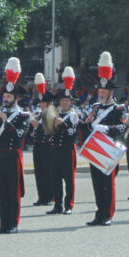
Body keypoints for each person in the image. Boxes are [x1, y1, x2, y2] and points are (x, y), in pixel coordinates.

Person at [80, 52, 126, 226]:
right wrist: (81, 123)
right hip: (95, 150)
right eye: (99, 91)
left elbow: (123, 127)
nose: (100, 93)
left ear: (110, 92)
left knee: (108, 185)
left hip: (109, 150)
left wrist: (107, 128)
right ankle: (99, 213)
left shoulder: (118, 109)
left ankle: (108, 215)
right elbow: (88, 126)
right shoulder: (95, 107)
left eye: (104, 91)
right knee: (97, 185)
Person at [0, 57, 29, 233]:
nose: (5, 99)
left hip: (13, 155)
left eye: (8, 96)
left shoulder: (23, 116)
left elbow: (20, 135)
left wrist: (6, 123)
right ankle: (3, 223)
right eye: (4, 96)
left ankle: (13, 224)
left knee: (13, 192)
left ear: (16, 98)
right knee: (1, 192)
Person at [47, 68, 80, 215]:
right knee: (55, 179)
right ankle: (57, 205)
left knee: (69, 179)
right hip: (55, 149)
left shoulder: (74, 115)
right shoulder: (55, 114)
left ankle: (69, 205)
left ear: (71, 101)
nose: (65, 102)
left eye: (67, 100)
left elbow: (73, 132)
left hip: (68, 150)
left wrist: (63, 124)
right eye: (63, 100)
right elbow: (48, 132)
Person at [28, 72, 55, 207]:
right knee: (39, 172)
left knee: (49, 172)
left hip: (48, 146)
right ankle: (42, 196)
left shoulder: (52, 113)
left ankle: (50, 196)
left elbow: (50, 130)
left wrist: (37, 126)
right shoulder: (38, 113)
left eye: (43, 102)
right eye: (40, 102)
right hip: (37, 145)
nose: (41, 104)